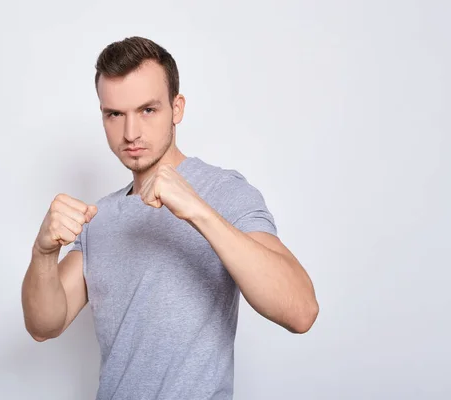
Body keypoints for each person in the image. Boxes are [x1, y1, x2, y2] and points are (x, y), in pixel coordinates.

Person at [21, 36, 319, 400]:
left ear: (177, 108)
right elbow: (43, 325)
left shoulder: (223, 192)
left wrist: (197, 210)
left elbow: (301, 311)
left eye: (148, 110)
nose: (130, 133)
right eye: (115, 114)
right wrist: (43, 253)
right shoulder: (99, 217)